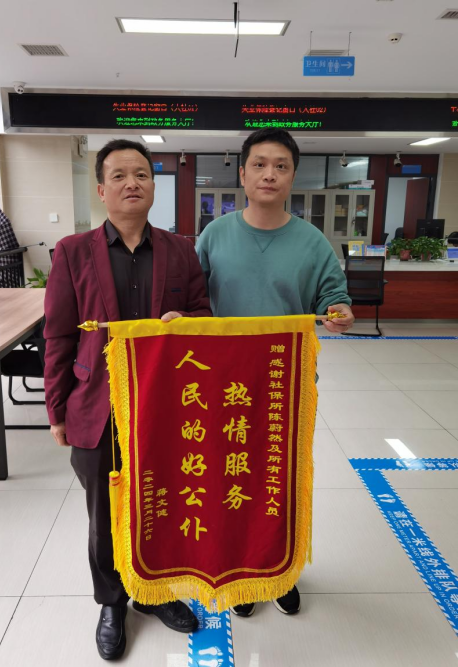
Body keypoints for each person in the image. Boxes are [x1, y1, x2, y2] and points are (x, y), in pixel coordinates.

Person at [44, 139, 211, 661]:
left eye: (141, 174)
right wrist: (56, 410)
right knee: (105, 513)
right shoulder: (73, 251)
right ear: (101, 190)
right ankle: (112, 602)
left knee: (161, 503)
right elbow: (58, 335)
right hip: (98, 406)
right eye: (118, 175)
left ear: (154, 186)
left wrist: (188, 322)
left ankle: (153, 592)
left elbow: (205, 315)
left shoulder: (181, 250)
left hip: (164, 407)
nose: (131, 183)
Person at [196, 128, 354, 619]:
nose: (270, 174)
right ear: (242, 173)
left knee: (279, 481)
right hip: (224, 386)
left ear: (292, 176)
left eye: (281, 166)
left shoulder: (312, 242)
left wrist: (341, 311)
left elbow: (334, 295)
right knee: (229, 478)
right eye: (260, 164)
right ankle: (240, 571)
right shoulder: (214, 235)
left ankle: (281, 570)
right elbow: (193, 299)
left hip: (286, 385)